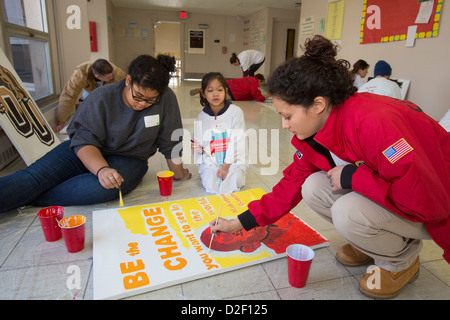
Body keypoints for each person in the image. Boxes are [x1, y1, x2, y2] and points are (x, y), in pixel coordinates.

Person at [211, 35, 450, 299]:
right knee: (311, 186)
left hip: (439, 208)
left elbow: (427, 201)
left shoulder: (375, 125)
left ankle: (401, 262)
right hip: (404, 200)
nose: (284, 125)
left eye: (288, 116)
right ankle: (375, 243)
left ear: (317, 105)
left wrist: (354, 177)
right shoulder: (316, 133)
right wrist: (239, 223)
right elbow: (287, 187)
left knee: (347, 212)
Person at [0, 54, 191, 213]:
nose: (142, 104)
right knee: (34, 177)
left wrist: (179, 174)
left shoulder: (166, 98)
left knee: (107, 187)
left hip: (129, 158)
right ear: (128, 81)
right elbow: (83, 139)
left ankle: (29, 197)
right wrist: (101, 169)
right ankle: (23, 193)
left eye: (150, 100)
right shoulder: (102, 97)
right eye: (138, 96)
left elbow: (171, 140)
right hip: (87, 148)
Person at [191, 72, 246, 195]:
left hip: (233, 161)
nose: (215, 94)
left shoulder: (236, 112)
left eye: (219, 90)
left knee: (233, 180)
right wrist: (196, 147)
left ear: (225, 91)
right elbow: (198, 143)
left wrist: (226, 166)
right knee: (211, 183)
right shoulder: (202, 116)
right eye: (210, 90)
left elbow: (237, 142)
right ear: (203, 94)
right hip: (211, 160)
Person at [53, 59, 126, 133]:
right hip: (90, 90)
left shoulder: (117, 74)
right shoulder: (80, 75)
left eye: (111, 76)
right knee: (90, 108)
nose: (111, 78)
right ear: (97, 76)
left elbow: (125, 94)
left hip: (110, 90)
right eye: (109, 77)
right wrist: (61, 123)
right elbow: (69, 96)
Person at [190, 74, 268, 102]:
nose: (260, 86)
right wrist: (268, 95)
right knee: (218, 95)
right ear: (259, 80)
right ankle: (204, 92)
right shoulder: (254, 82)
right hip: (234, 91)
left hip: (229, 83)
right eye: (261, 83)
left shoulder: (249, 78)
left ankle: (203, 90)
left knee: (216, 90)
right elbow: (259, 98)